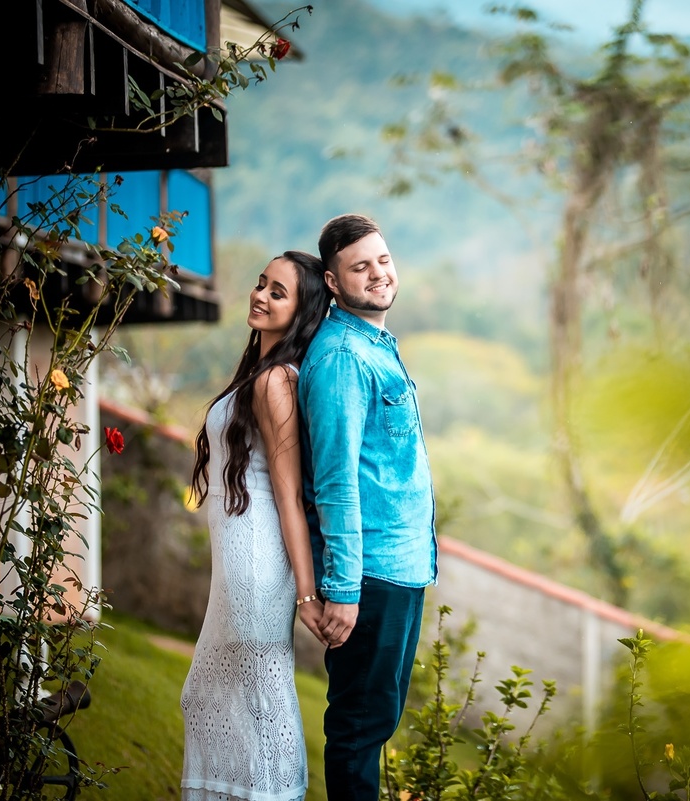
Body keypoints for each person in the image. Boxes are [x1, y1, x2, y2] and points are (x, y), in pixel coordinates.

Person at [180, 251, 332, 801]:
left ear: (302, 311)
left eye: (278, 292)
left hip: (255, 563)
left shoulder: (275, 383)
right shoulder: (261, 374)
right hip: (239, 560)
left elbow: (290, 494)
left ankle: (273, 792)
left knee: (260, 696)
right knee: (210, 695)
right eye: (261, 284)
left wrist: (306, 591)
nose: (260, 296)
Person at [298, 214, 438, 799]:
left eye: (382, 260)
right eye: (360, 267)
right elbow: (335, 482)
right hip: (372, 574)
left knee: (375, 724)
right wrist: (344, 590)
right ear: (333, 282)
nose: (379, 274)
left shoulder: (372, 345)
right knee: (359, 730)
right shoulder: (342, 360)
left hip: (400, 567)